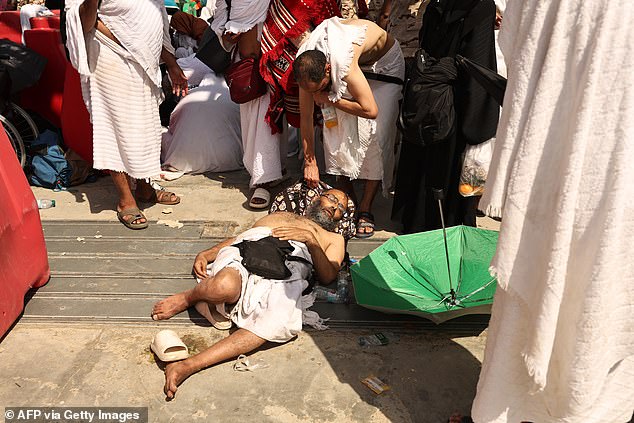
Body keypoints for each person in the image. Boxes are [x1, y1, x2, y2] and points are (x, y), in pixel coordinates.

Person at [462, 0, 634, 422]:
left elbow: (514, 40)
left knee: (557, 283)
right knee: (596, 292)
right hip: (609, 163)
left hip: (555, 161)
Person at [151, 188, 349, 399]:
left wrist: (311, 240)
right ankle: (189, 297)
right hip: (251, 247)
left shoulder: (333, 238)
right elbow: (242, 237)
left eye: (341, 209)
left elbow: (328, 275)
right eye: (332, 199)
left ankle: (188, 365)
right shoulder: (281, 215)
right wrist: (207, 253)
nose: (335, 207)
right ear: (317, 198)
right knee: (222, 288)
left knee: (277, 322)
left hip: (290, 268)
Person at [65, 0, 187, 229]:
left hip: (145, 62)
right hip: (110, 55)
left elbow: (155, 19)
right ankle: (125, 199)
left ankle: (144, 186)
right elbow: (82, 22)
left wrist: (170, 63)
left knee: (145, 126)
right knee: (115, 125)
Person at [391, 0, 498, 234]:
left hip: (429, 94)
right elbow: (478, 60)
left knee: (426, 158)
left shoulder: (434, 5)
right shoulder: (479, 6)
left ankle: (417, 219)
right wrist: (480, 119)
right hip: (458, 99)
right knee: (450, 162)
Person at [294, 17, 405, 239]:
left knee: (376, 132)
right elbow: (305, 118)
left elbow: (370, 110)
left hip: (383, 67)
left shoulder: (343, 62)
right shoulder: (306, 65)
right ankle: (349, 197)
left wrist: (330, 99)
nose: (314, 93)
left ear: (328, 70)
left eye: (321, 87)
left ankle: (365, 207)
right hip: (347, 67)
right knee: (334, 129)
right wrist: (310, 162)